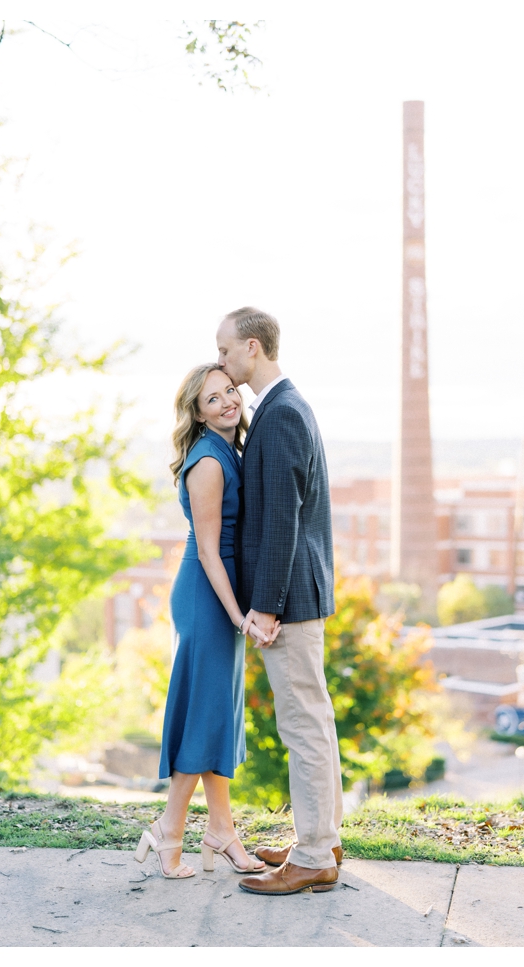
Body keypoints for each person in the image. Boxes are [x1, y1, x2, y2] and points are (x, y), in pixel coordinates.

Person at [215, 307, 343, 896]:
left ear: (252, 347)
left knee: (303, 727)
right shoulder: (282, 408)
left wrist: (264, 605)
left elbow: (282, 522)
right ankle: (323, 839)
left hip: (287, 600)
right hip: (294, 596)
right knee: (313, 720)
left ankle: (315, 855)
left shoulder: (284, 412)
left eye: (225, 351)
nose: (221, 361)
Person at [136, 364, 274, 879]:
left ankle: (222, 831)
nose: (227, 403)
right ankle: (169, 831)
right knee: (203, 718)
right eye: (212, 400)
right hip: (207, 596)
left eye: (230, 392)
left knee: (218, 715)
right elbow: (212, 553)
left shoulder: (228, 448)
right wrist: (240, 617)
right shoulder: (209, 463)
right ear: (197, 413)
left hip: (220, 595)